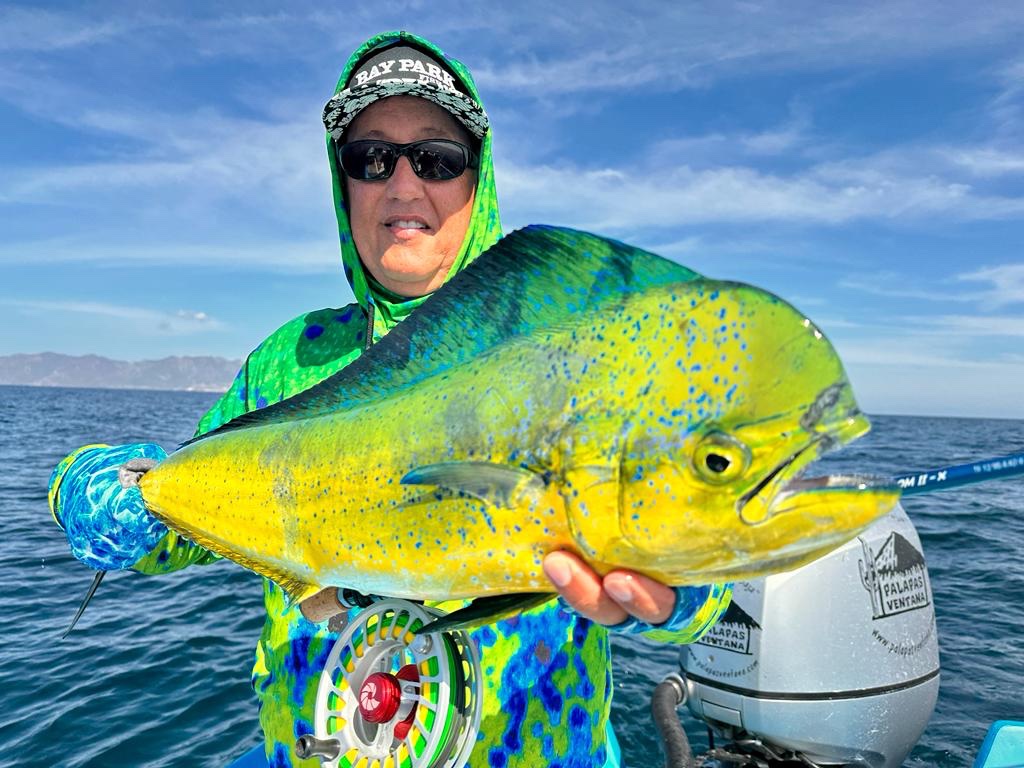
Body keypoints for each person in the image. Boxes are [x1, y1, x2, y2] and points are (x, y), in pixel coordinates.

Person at [48, 31, 731, 768]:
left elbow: (705, 576)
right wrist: (96, 488)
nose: (403, 187)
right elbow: (184, 524)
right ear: (342, 184)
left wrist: (680, 589)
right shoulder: (290, 359)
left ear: (478, 181)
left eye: (436, 159)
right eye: (371, 159)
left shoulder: (569, 353)